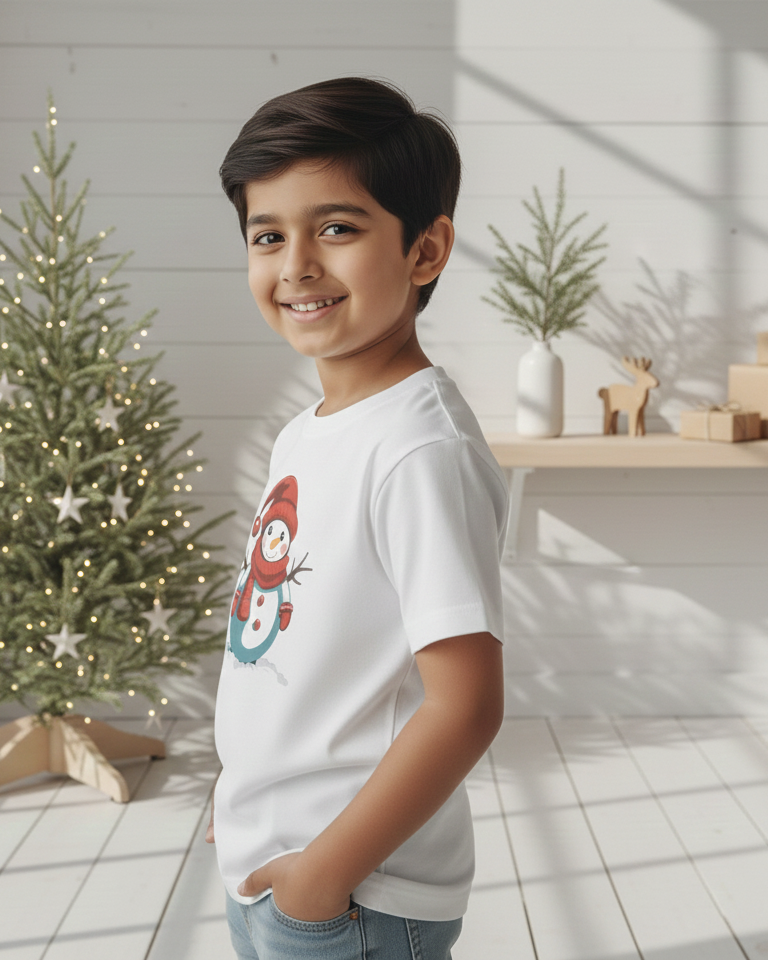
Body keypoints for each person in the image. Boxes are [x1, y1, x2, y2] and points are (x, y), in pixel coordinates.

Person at [207, 76, 508, 960]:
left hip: (356, 895)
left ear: (425, 250)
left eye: (336, 229)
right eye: (268, 236)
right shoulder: (308, 432)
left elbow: (465, 706)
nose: (297, 265)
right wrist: (253, 802)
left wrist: (324, 873)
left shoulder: (420, 449)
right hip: (276, 863)